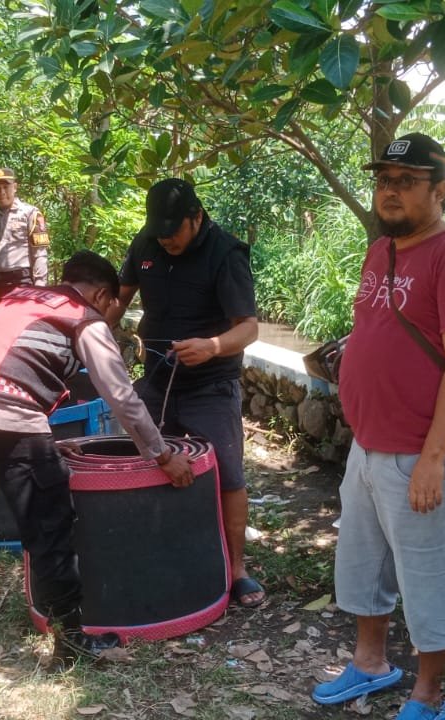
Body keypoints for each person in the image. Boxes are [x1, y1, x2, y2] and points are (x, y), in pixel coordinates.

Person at [0, 251, 195, 663]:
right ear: (102, 295)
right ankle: (71, 640)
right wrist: (161, 453)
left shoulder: (19, 299)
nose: (113, 315)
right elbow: (120, 395)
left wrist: (41, 440)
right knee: (50, 525)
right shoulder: (84, 318)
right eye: (115, 305)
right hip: (8, 414)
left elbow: (8, 359)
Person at [312, 134, 445, 720]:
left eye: (407, 181)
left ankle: (429, 695)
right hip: (369, 448)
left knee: (426, 579)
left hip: (422, 452)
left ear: (440, 191)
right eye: (384, 180)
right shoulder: (382, 250)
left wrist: (435, 458)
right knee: (362, 568)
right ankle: (370, 664)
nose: (389, 191)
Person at [107, 177, 265, 608]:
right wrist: (92, 325)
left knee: (227, 474)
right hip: (156, 377)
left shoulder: (226, 254)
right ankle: (159, 551)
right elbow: (120, 299)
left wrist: (212, 347)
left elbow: (248, 328)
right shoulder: (147, 243)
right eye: (159, 233)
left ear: (196, 218)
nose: (166, 241)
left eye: (173, 232)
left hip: (210, 384)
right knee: (146, 461)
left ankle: (236, 570)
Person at [0, 168, 51, 319]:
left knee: (19, 330)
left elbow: (40, 255)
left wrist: (39, 291)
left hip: (21, 282)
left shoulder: (31, 214)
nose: (1, 192)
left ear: (15, 187)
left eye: (6, 187)